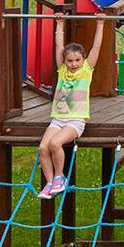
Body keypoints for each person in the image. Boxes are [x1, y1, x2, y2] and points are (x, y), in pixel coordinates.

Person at [40, 20, 103, 199]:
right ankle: (50, 184)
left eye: (77, 60)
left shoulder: (86, 71)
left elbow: (96, 47)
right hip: (58, 119)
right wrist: (59, 24)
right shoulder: (62, 71)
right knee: (43, 148)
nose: (74, 64)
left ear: (83, 60)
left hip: (75, 120)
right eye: (70, 60)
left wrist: (100, 24)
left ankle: (60, 177)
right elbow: (59, 46)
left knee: (55, 144)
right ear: (65, 61)